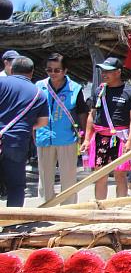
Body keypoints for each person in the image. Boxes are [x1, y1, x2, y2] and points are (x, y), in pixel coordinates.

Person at [81, 57, 131, 200]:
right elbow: (92, 115)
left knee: (120, 175)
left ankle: (120, 208)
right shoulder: (99, 91)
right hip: (101, 137)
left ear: (118, 72)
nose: (104, 74)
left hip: (120, 138)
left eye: (108, 71)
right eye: (103, 71)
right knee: (100, 175)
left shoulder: (129, 91)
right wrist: (87, 139)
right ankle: (101, 207)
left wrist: (130, 141)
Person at [34, 53, 89, 205]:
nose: (53, 73)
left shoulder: (75, 88)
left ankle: (69, 209)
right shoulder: (39, 86)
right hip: (44, 137)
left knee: (68, 177)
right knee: (45, 178)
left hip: (67, 138)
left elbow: (82, 113)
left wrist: (84, 136)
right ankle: (46, 208)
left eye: (57, 70)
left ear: (65, 71)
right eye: (49, 70)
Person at [0, 57, 48, 206]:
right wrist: (25, 126)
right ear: (32, 72)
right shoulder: (39, 94)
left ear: (11, 70)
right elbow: (43, 122)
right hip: (17, 143)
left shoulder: (1, 83)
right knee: (16, 186)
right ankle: (13, 224)